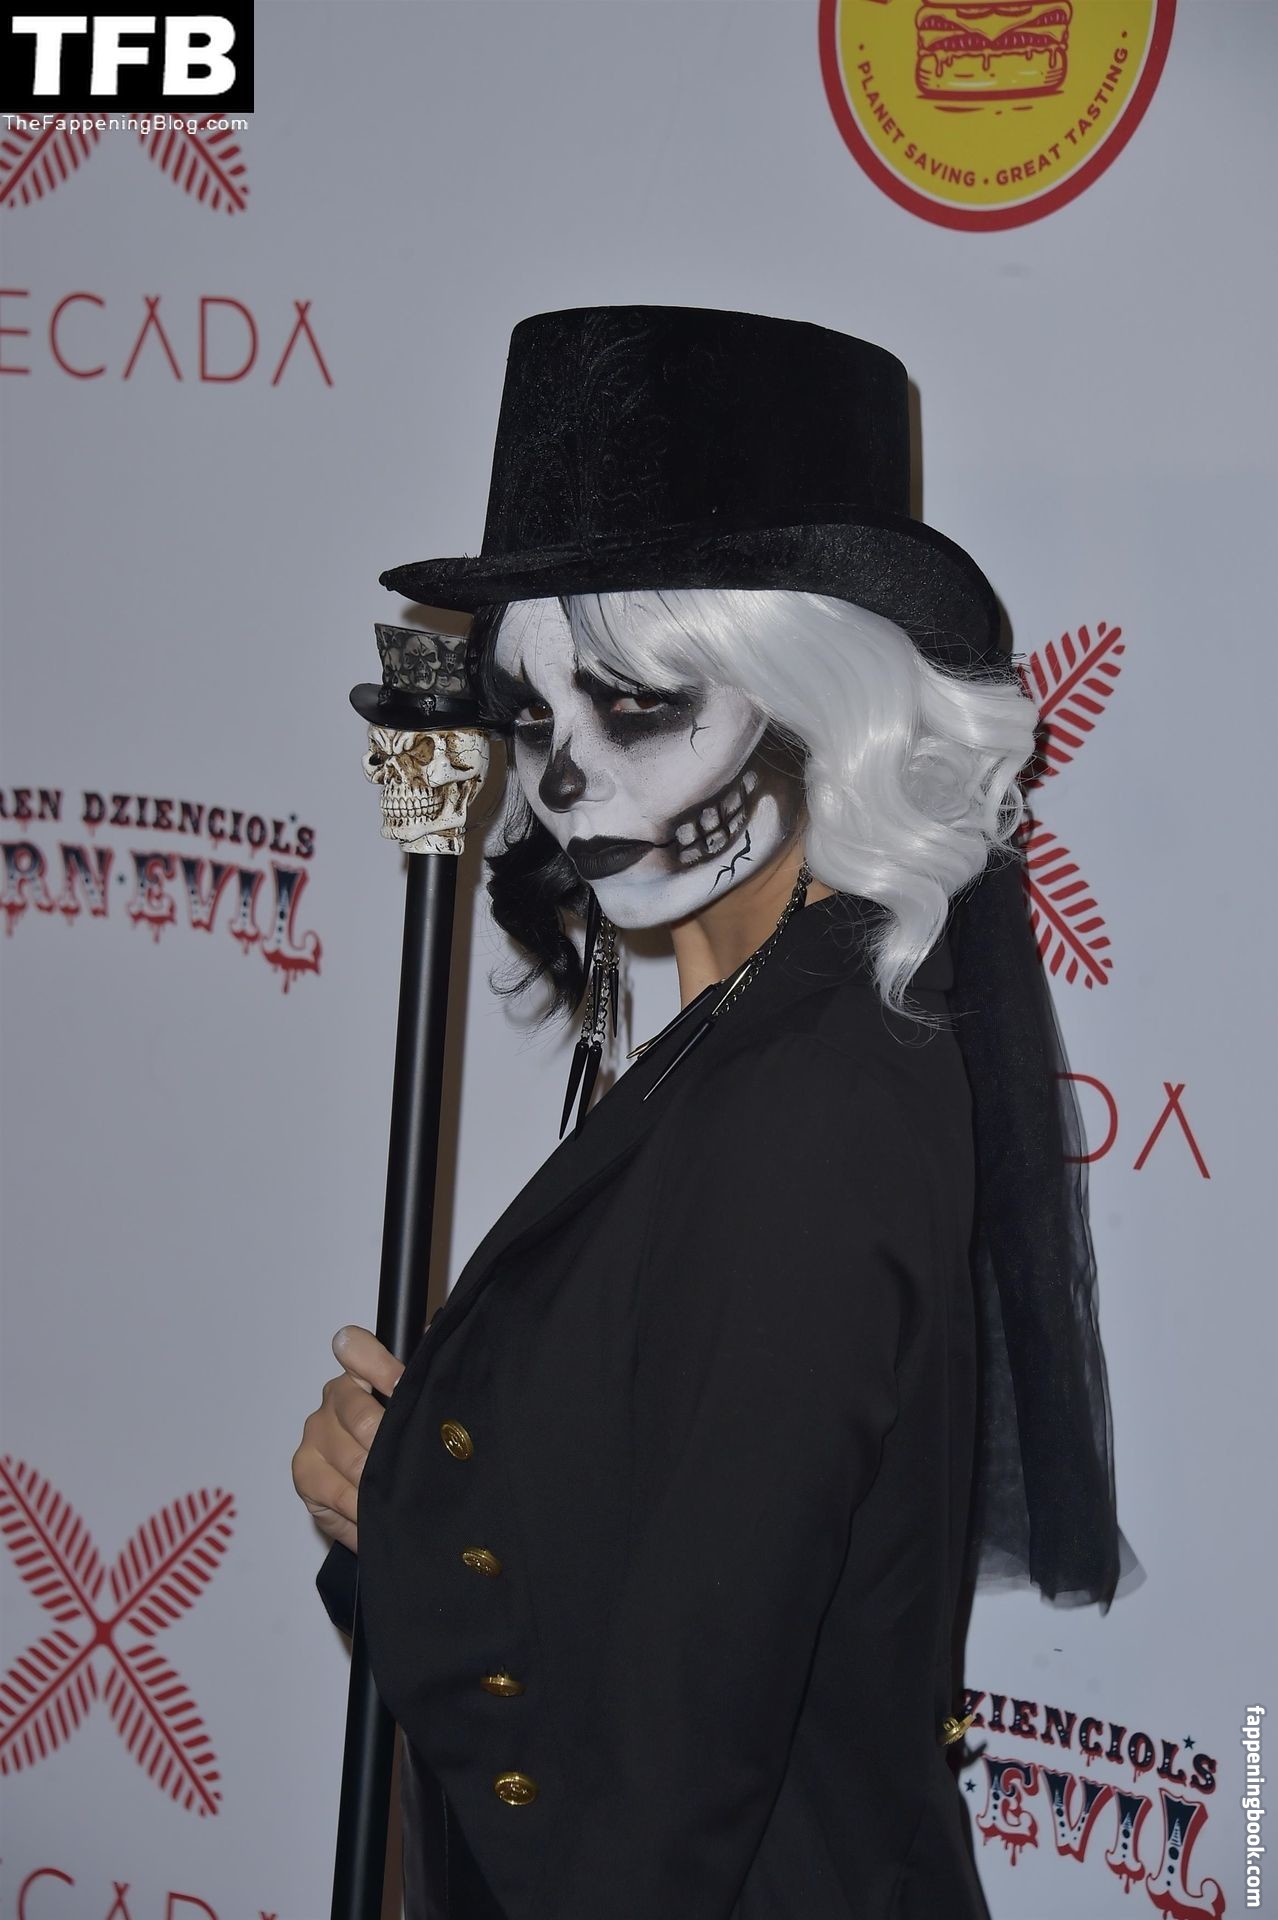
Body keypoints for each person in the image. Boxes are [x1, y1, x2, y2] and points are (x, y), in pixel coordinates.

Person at [291, 307, 1133, 1920]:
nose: (567, 784)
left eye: (636, 704)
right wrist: (400, 1496)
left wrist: (400, 1520)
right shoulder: (740, 1034)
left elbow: (659, 1768)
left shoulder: (812, 1106)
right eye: (536, 718)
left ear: (820, 696)